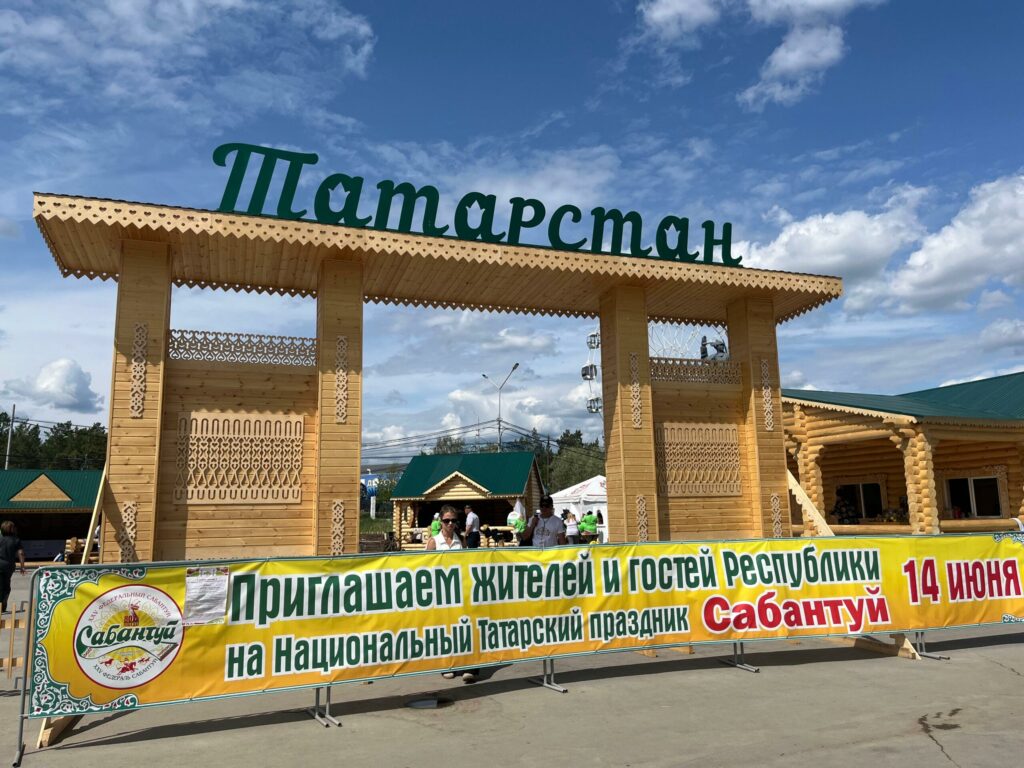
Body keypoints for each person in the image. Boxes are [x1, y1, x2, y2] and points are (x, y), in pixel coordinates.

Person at [425, 506, 478, 682]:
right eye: (446, 520)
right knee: (444, 630)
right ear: (440, 521)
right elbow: (425, 567)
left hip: (459, 589)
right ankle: (447, 665)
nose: (450, 524)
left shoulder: (461, 540)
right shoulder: (434, 542)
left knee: (463, 627)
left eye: (453, 521)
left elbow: (467, 562)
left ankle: (468, 666)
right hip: (440, 591)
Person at [0, 521, 26, 613]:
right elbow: (21, 553)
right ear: (11, 529)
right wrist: (22, 567)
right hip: (8, 566)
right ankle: (2, 607)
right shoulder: (16, 540)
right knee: (6, 587)